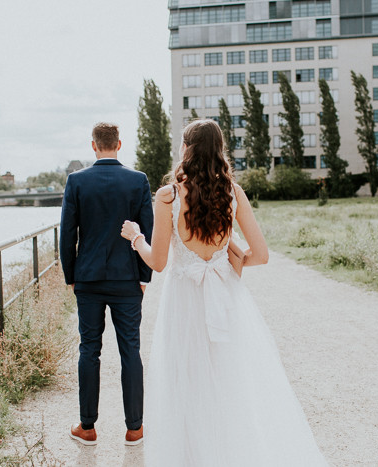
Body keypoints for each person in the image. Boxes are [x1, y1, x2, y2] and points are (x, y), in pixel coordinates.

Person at [121, 119, 327, 466]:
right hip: (224, 295)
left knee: (185, 386)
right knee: (229, 383)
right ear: (219, 149)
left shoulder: (168, 195)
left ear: (186, 148)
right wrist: (233, 254)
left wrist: (136, 238)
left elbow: (157, 262)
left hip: (183, 300)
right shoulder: (232, 192)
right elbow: (260, 255)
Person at [60, 122, 153, 446]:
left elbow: (67, 233)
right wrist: (144, 276)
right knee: (131, 350)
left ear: (94, 146)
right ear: (120, 143)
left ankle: (87, 427)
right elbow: (147, 230)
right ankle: (135, 429)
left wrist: (71, 277)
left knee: (89, 350)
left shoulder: (77, 181)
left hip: (88, 278)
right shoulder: (137, 180)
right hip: (128, 278)